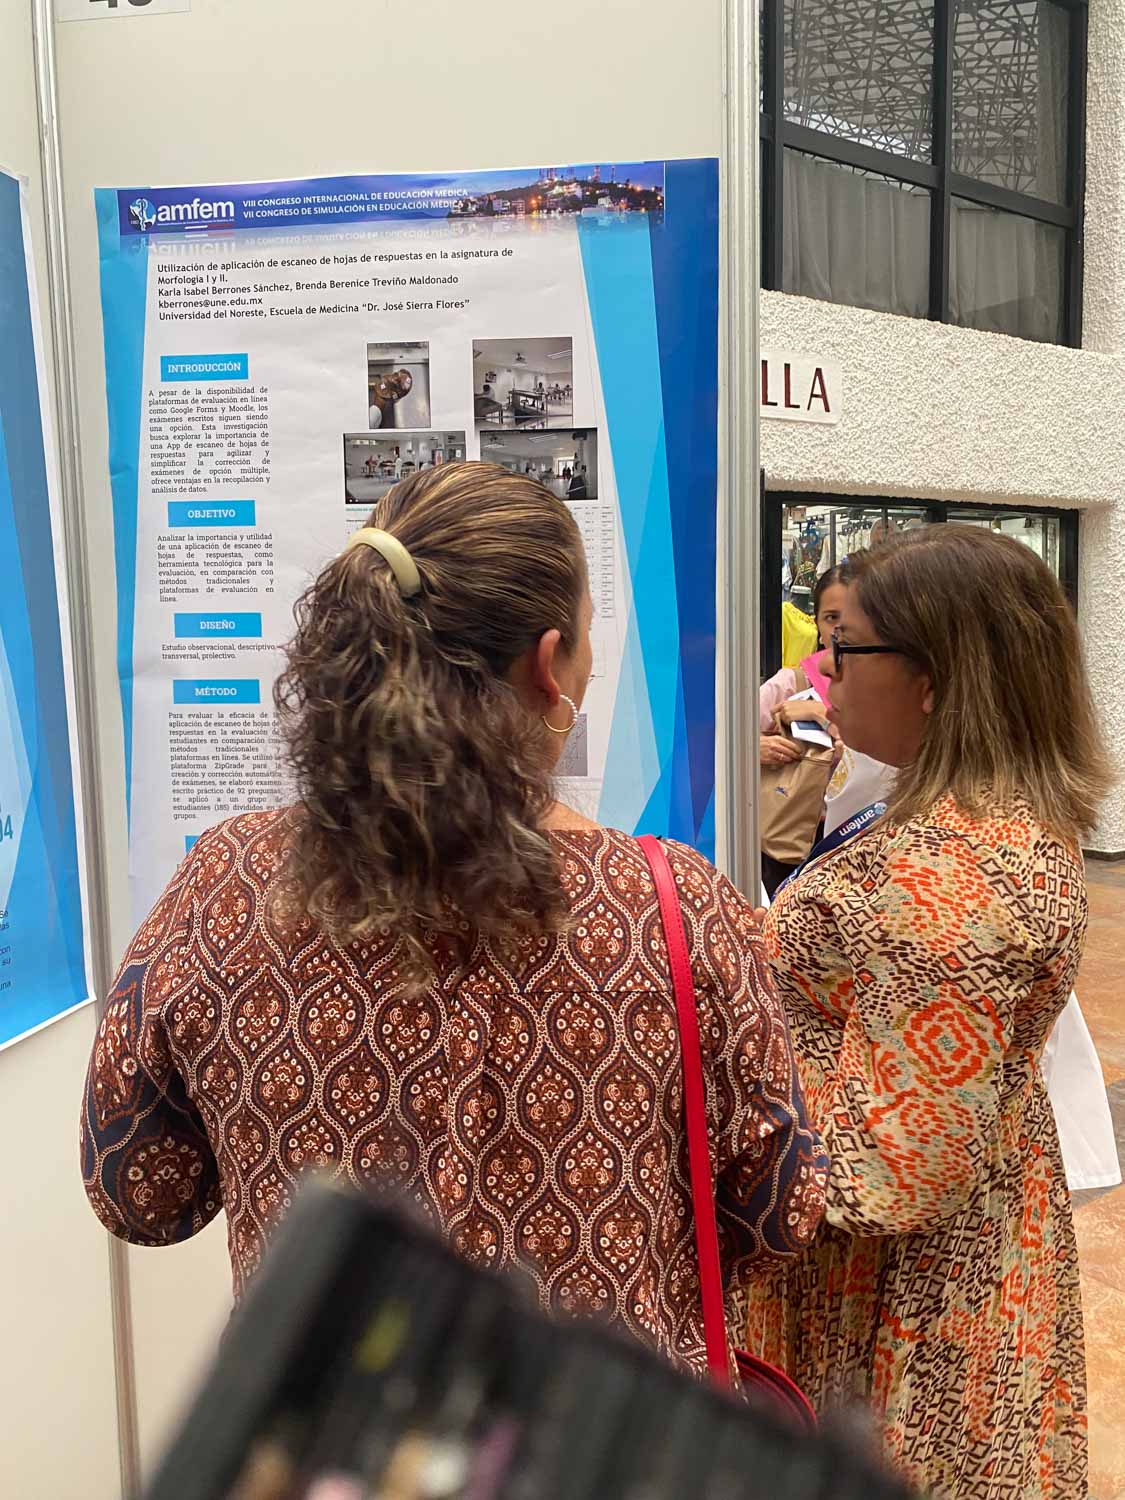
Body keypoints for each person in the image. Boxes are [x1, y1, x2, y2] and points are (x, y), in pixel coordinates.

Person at [80, 461, 827, 1376]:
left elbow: (141, 1194)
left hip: (322, 1425)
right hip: (594, 1431)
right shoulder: (674, 905)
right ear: (548, 664)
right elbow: (778, 1214)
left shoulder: (225, 884)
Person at [746, 525, 1113, 1499]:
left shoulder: (947, 879)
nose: (823, 671)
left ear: (935, 680)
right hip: (961, 1264)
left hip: (898, 1307)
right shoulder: (975, 820)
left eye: (846, 647)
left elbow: (887, 1173)